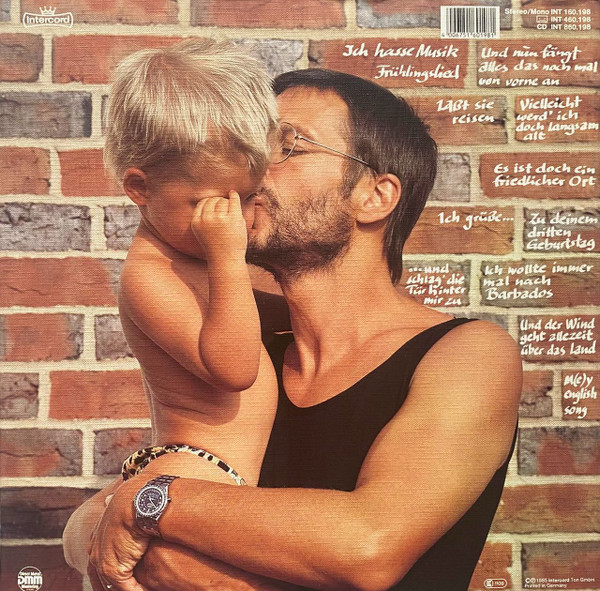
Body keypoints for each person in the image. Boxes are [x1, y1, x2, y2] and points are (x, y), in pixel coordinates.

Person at [67, 68, 522, 591]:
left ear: (375, 196)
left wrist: (151, 501)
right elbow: (85, 530)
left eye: (288, 147)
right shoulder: (238, 338)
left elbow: (368, 547)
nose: (251, 167)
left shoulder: (467, 355)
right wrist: (134, 517)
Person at [63, 37, 289, 586]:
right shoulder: (149, 276)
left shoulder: (191, 258)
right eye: (209, 204)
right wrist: (229, 258)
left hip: (209, 474)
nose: (232, 220)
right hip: (197, 472)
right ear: (140, 187)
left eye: (246, 198)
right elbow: (234, 368)